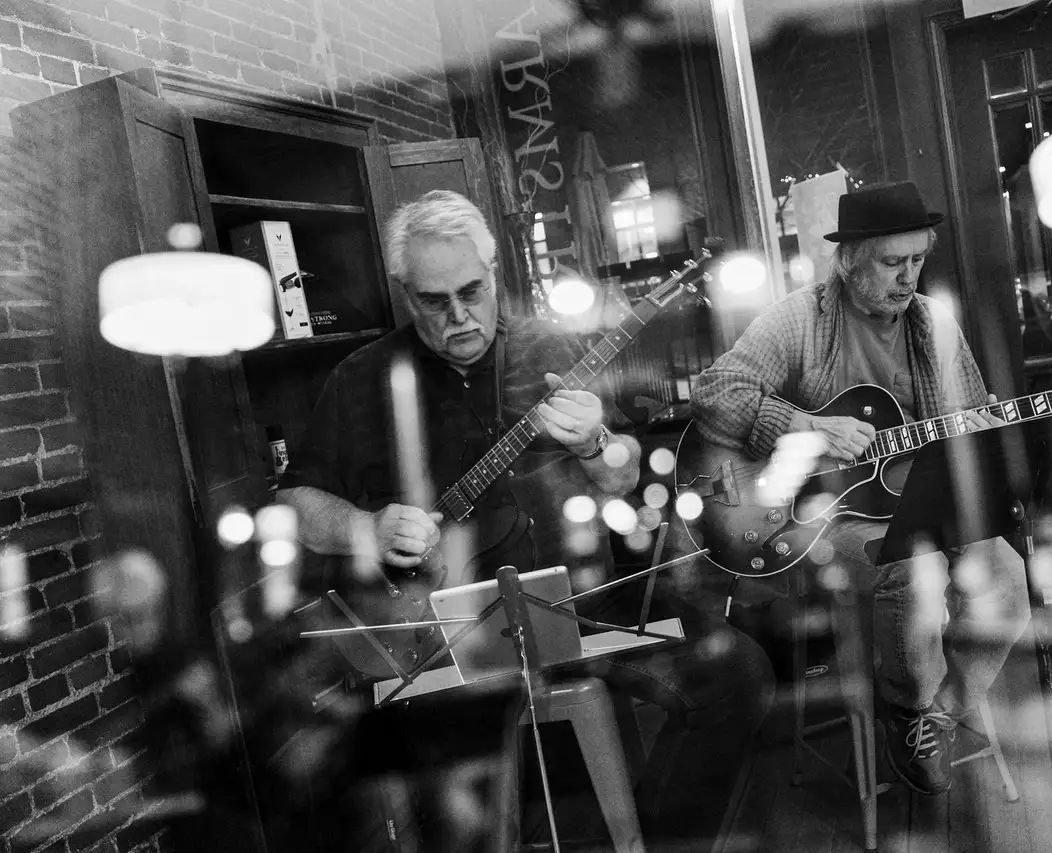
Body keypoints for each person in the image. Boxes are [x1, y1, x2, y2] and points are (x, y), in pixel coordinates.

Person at [277, 189, 773, 851]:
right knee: (455, 796)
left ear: (494, 274)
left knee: (737, 674)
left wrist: (598, 444)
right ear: (404, 290)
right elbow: (296, 505)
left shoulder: (552, 350)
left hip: (585, 597)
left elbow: (625, 472)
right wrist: (366, 528)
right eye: (433, 299)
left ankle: (655, 839)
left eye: (472, 290)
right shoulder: (362, 380)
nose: (459, 314)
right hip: (454, 631)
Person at [690, 181, 1030, 795]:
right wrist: (804, 425)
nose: (908, 277)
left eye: (918, 260)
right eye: (891, 262)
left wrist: (980, 429)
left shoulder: (934, 323)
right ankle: (907, 702)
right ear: (848, 260)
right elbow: (716, 392)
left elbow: (974, 414)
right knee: (912, 564)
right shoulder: (800, 319)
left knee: (1006, 572)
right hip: (818, 517)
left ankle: (933, 715)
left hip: (921, 501)